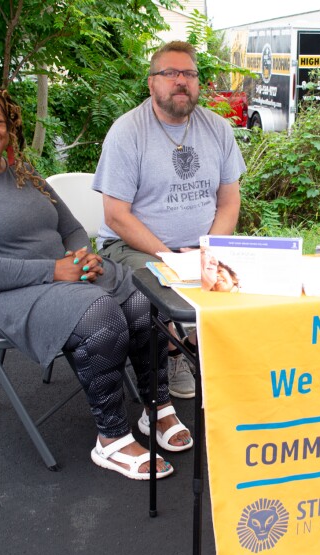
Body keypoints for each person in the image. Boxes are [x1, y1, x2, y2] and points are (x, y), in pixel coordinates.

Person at [0, 81, 191, 481]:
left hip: (60, 277)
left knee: (141, 295)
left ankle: (157, 407)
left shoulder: (23, 173)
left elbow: (72, 228)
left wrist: (80, 255)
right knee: (100, 315)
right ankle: (112, 439)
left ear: (9, 127)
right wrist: (54, 270)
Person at [92, 40, 247, 399]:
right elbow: (116, 216)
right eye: (171, 73)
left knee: (250, 276)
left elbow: (228, 204)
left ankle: (214, 349)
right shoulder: (127, 132)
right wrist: (171, 258)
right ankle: (175, 353)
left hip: (201, 245)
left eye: (189, 74)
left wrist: (207, 251)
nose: (181, 81)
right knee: (162, 289)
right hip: (133, 246)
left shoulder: (218, 129)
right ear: (152, 83)